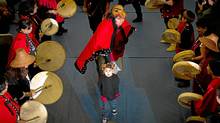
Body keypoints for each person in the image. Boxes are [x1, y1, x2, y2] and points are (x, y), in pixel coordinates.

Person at [75, 5, 135, 74]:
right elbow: (96, 41)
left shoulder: (121, 22)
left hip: (115, 51)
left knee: (114, 70)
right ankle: (104, 78)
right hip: (104, 51)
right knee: (103, 70)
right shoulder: (106, 24)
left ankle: (111, 74)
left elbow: (126, 30)